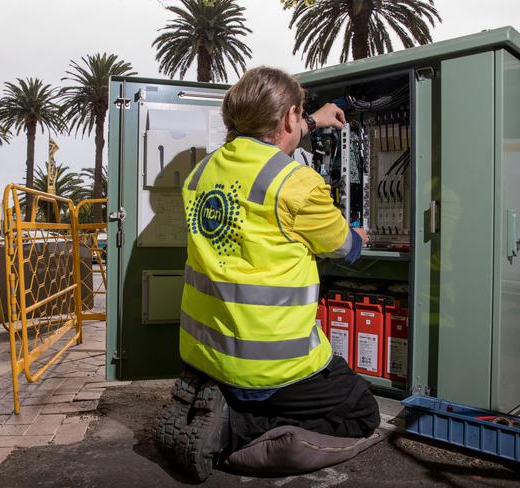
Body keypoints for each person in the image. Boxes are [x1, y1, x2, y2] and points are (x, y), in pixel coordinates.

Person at [155, 66, 380, 482]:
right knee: (362, 410)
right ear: (289, 117)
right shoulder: (297, 183)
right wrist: (359, 234)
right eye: (301, 114)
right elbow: (345, 248)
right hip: (271, 365)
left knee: (269, 393)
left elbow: (260, 150)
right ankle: (232, 429)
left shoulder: (201, 174)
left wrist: (312, 120)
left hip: (207, 352)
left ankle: (224, 404)